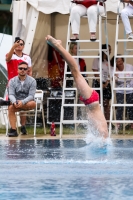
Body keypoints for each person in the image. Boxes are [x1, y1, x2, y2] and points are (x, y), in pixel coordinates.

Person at [46, 35, 108, 138]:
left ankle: (59, 47)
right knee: (74, 70)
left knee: (75, 71)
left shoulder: (102, 134)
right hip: (91, 100)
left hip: (91, 102)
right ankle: (58, 46)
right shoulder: (103, 135)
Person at [8, 61, 36, 137]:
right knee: (10, 108)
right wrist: (14, 102)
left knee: (33, 103)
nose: (22, 70)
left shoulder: (32, 81)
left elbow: (31, 96)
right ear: (17, 70)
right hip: (16, 102)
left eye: (24, 68)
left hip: (27, 103)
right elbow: (11, 94)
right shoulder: (12, 81)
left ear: (27, 70)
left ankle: (20, 127)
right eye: (20, 68)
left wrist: (22, 102)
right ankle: (13, 130)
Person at [110, 56, 133, 129]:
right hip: (120, 91)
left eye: (120, 61)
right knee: (120, 107)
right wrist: (116, 74)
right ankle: (118, 124)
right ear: (115, 63)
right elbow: (114, 80)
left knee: (131, 107)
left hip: (130, 90)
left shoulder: (129, 67)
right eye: (117, 62)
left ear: (123, 61)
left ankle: (132, 123)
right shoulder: (113, 70)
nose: (119, 63)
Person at [92, 44, 112, 123]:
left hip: (106, 83)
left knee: (106, 103)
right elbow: (95, 72)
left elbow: (110, 73)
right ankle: (98, 122)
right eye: (108, 50)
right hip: (97, 83)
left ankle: (107, 122)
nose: (110, 52)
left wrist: (106, 83)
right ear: (104, 50)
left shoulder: (108, 61)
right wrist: (100, 83)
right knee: (98, 104)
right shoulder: (96, 59)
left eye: (110, 50)